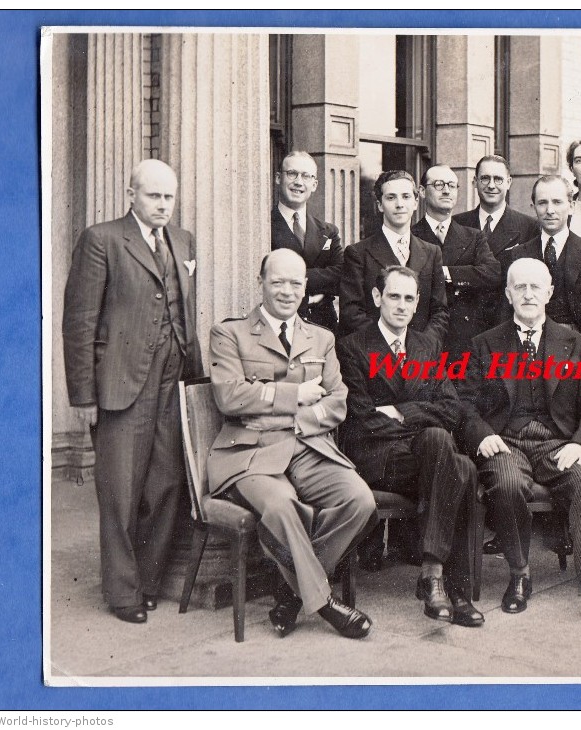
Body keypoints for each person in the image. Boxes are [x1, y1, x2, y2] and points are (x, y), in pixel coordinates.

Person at [206, 249, 377, 639]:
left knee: (359, 501)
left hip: (307, 445)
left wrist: (284, 412)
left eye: (296, 283)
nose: (287, 291)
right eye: (278, 281)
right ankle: (325, 602)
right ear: (261, 282)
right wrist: (296, 393)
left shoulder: (321, 337)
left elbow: (337, 403)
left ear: (306, 287)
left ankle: (291, 593)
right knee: (283, 505)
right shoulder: (228, 333)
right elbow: (230, 398)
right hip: (249, 453)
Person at [62, 159, 204, 624]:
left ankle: (147, 580)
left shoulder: (183, 241)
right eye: (153, 196)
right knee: (120, 490)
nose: (163, 205)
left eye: (169, 197)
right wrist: (83, 396)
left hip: (173, 378)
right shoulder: (102, 240)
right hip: (121, 384)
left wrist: (196, 382)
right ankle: (122, 592)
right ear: (132, 194)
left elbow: (186, 313)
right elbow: (79, 322)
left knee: (166, 483)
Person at [459, 258, 581, 631]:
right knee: (508, 482)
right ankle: (520, 572)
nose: (528, 294)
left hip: (556, 442)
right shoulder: (484, 344)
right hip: (506, 441)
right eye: (520, 287)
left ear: (549, 293)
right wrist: (482, 434)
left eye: (535, 287)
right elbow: (464, 401)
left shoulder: (576, 343)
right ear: (508, 294)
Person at [337, 266, 484, 628]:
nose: (401, 306)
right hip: (378, 457)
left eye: (408, 298)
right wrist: (423, 417)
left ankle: (436, 577)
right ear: (377, 298)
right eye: (393, 296)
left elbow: (451, 409)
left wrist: (403, 411)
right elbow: (360, 418)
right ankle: (452, 586)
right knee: (456, 464)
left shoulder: (427, 345)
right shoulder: (354, 347)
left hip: (424, 454)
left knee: (448, 453)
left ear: (418, 303)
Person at [339, 170, 449, 347]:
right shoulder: (358, 253)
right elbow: (351, 312)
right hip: (376, 355)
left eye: (406, 196)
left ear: (415, 202)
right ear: (380, 205)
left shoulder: (431, 252)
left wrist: (422, 346)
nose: (399, 204)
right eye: (391, 198)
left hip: (420, 356)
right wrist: (390, 345)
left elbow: (440, 311)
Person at [501, 175, 581, 343]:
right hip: (527, 344)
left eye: (557, 202)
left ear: (571, 206)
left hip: (576, 345)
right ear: (533, 207)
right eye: (542, 203)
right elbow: (506, 310)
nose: (550, 210)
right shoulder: (518, 254)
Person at [412, 164, 501, 358]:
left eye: (452, 185)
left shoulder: (473, 236)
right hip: (423, 338)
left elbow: (492, 273)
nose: (446, 190)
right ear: (421, 191)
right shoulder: (411, 236)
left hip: (465, 340)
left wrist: (445, 273)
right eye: (438, 184)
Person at [270, 151, 343, 331]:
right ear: (279, 178)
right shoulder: (262, 226)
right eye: (292, 173)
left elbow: (342, 275)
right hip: (278, 325)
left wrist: (291, 278)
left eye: (306, 176)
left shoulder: (328, 231)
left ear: (315, 184)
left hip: (323, 325)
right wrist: (314, 291)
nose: (298, 182)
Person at [453, 154, 541, 258]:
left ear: (508, 183)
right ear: (475, 182)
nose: (491, 185)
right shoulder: (456, 223)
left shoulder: (529, 227)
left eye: (498, 179)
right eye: (485, 178)